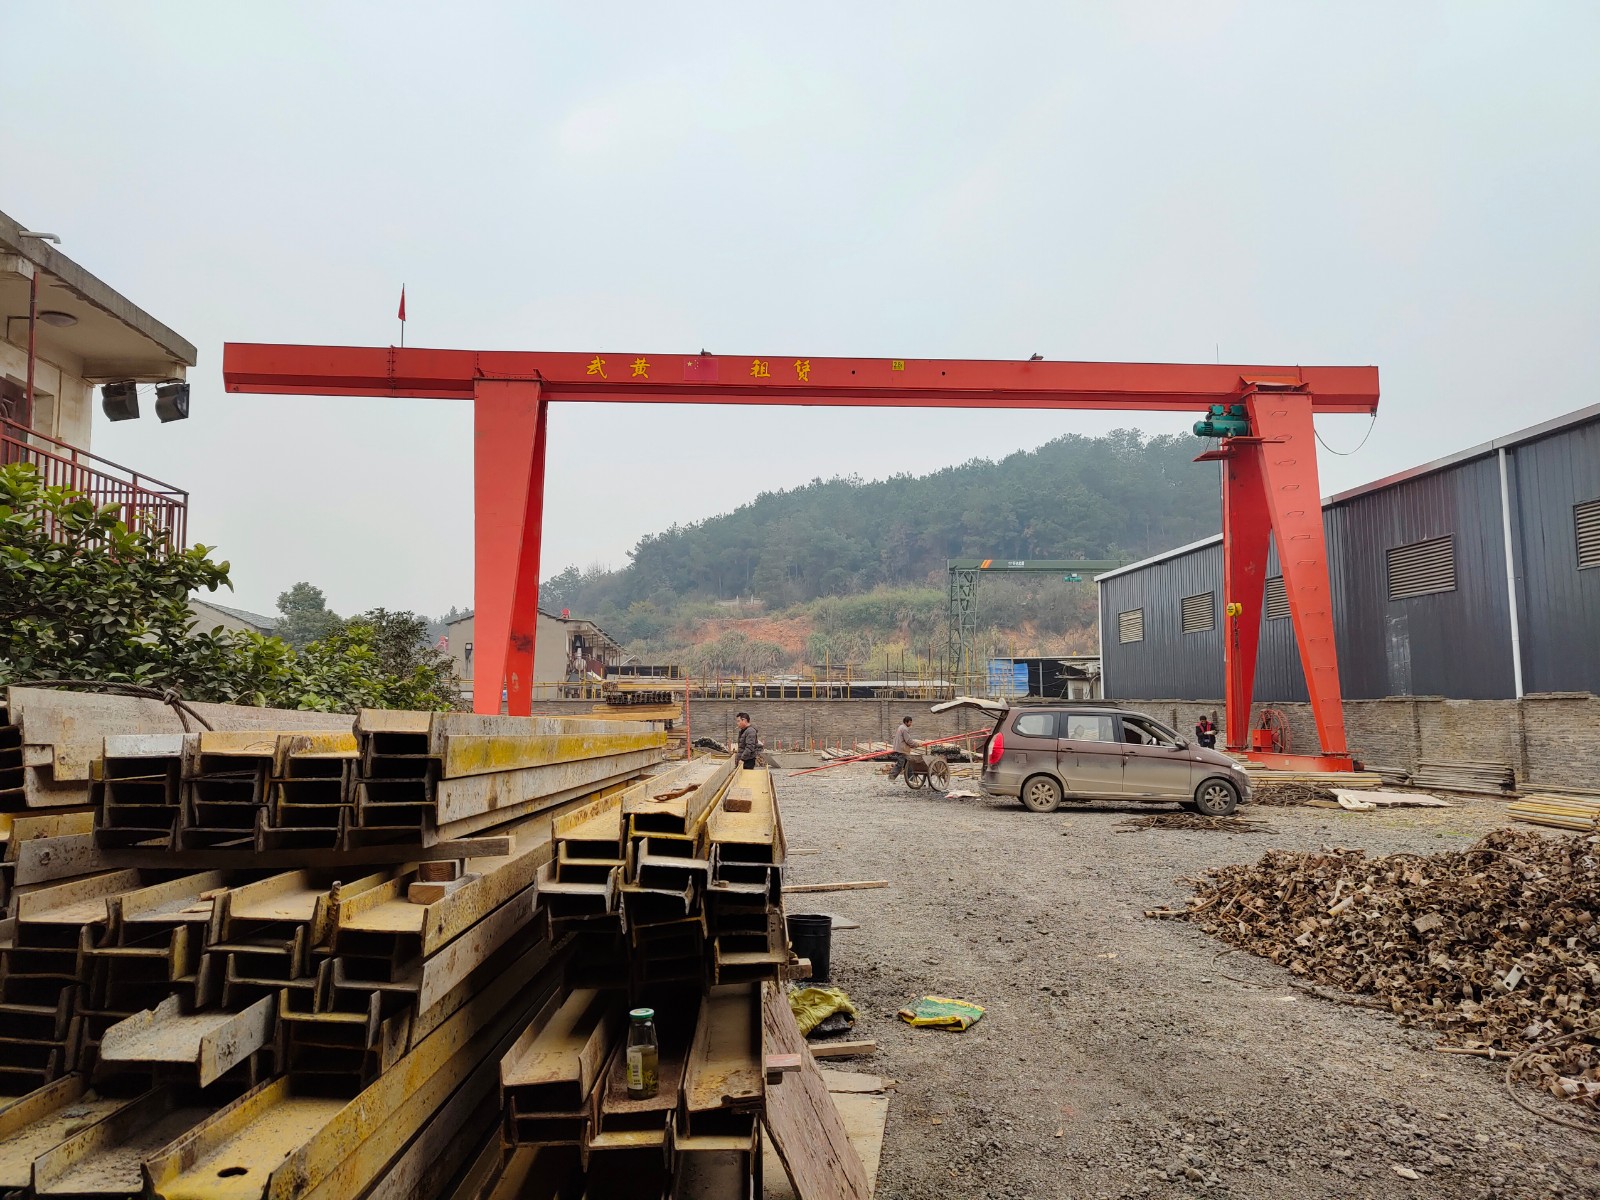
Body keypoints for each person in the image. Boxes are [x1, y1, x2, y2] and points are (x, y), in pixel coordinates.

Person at [887, 715, 920, 782]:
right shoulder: (904, 729)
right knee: (900, 764)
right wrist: (917, 744)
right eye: (910, 722)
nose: (911, 724)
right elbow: (908, 740)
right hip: (902, 749)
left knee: (908, 763)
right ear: (906, 722)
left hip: (900, 748)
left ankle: (911, 778)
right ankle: (891, 776)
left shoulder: (901, 727)